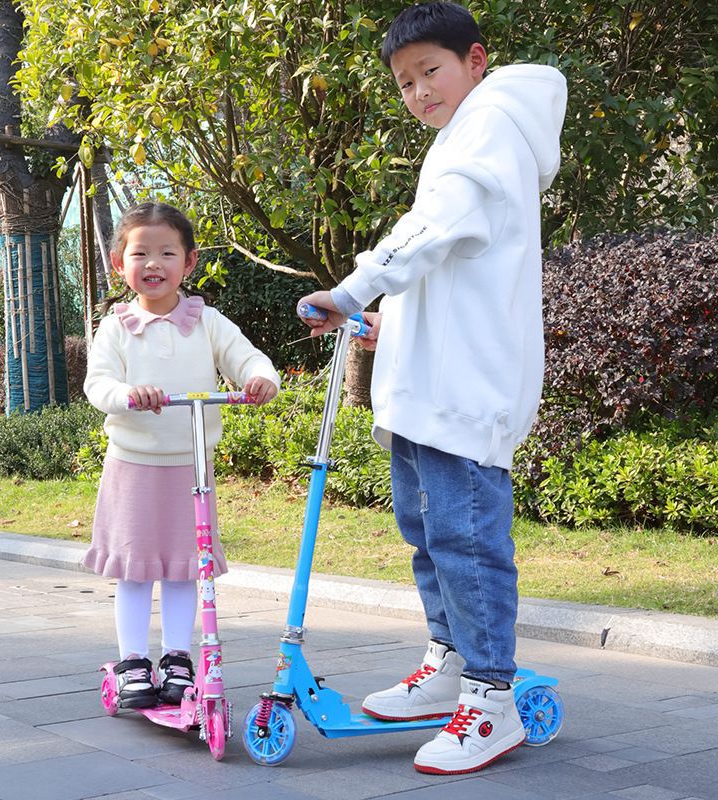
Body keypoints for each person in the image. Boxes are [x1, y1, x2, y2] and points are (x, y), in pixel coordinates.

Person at [298, 1, 566, 776]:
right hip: (432, 387)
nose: (418, 92)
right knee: (429, 536)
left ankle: (490, 700)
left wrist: (351, 290)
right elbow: (450, 267)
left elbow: (431, 231)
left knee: (466, 543)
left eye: (430, 71)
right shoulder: (464, 135)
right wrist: (393, 323)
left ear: (475, 61)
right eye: (405, 82)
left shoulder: (489, 129)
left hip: (464, 392)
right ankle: (449, 665)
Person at [84, 201, 280, 708]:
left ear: (189, 262)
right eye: (140, 254)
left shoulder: (206, 322)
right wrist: (129, 395)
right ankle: (132, 661)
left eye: (167, 253)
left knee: (185, 567)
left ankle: (176, 657)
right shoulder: (117, 327)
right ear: (119, 263)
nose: (154, 264)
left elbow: (247, 357)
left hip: (191, 467)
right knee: (134, 567)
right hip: (133, 465)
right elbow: (98, 383)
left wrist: (260, 378)